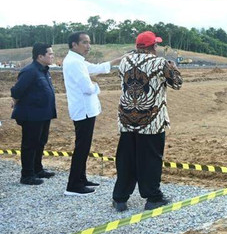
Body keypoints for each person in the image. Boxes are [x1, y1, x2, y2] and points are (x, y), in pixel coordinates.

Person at [112, 31, 183, 212]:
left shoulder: (124, 61)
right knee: (150, 160)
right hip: (152, 120)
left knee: (126, 159)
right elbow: (177, 83)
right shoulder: (160, 63)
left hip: (127, 118)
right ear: (153, 46)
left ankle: (120, 198)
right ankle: (153, 197)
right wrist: (172, 67)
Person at [62, 32, 122, 196]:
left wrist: (117, 60)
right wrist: (96, 86)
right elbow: (87, 88)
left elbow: (95, 68)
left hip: (84, 110)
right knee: (82, 147)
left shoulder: (77, 61)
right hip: (84, 110)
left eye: (89, 42)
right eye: (85, 43)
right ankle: (73, 185)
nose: (88, 46)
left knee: (84, 146)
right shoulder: (74, 63)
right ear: (74, 44)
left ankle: (81, 178)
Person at [10, 43, 57, 185]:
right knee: (30, 144)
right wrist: (15, 101)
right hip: (31, 115)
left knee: (40, 142)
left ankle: (38, 169)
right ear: (40, 56)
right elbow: (16, 91)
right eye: (50, 54)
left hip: (44, 114)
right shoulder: (30, 71)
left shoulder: (44, 70)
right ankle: (27, 175)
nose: (52, 56)